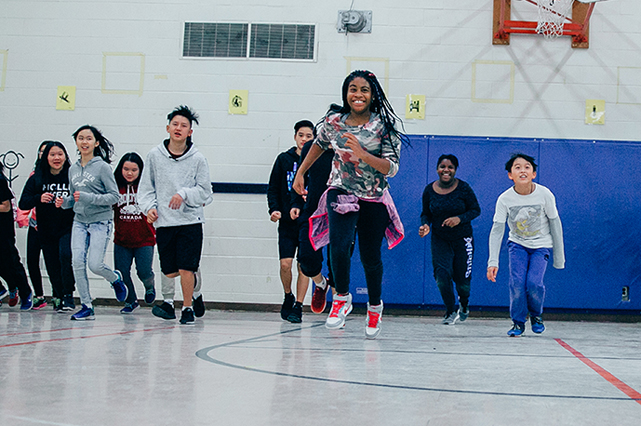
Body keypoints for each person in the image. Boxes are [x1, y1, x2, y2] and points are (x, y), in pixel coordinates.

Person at [293, 70, 407, 339]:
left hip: (373, 196)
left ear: (372, 95)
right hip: (341, 190)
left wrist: (362, 154)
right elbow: (319, 145)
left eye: (364, 90)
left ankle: (375, 306)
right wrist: (301, 172)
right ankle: (341, 298)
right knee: (339, 246)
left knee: (370, 257)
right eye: (353, 89)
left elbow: (392, 168)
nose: (358, 94)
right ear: (346, 93)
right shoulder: (334, 121)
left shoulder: (384, 126)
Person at [139, 105, 212, 325]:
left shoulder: (198, 159)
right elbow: (146, 189)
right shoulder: (154, 156)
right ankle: (197, 291)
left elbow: (206, 193)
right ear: (168, 128)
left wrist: (184, 194)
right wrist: (149, 208)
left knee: (186, 268)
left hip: (190, 220)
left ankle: (187, 308)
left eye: (184, 125)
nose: (178, 128)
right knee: (171, 272)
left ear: (190, 132)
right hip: (165, 222)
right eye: (175, 124)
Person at [487, 153, 565, 337]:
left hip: (541, 246)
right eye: (517, 167)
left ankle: (536, 316)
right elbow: (497, 230)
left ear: (533, 174)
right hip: (517, 245)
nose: (523, 170)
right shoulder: (504, 199)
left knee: (534, 283)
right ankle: (518, 322)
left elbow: (555, 224)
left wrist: (559, 257)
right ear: (510, 175)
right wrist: (493, 261)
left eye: (527, 167)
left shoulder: (545, 194)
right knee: (517, 283)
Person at [56, 125, 128, 320]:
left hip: (100, 221)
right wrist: (64, 203)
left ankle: (115, 279)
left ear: (96, 143)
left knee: (95, 265)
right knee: (77, 263)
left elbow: (114, 197)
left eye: (88, 138)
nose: (84, 142)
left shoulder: (103, 167)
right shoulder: (72, 169)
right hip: (79, 221)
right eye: (81, 138)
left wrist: (88, 197)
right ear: (76, 142)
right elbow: (73, 198)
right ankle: (87, 305)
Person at [419, 154, 480, 325]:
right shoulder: (429, 190)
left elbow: (476, 210)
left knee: (462, 280)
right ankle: (450, 309)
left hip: (462, 238)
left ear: (455, 170)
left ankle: (464, 303)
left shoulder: (464, 188)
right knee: (442, 275)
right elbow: (426, 213)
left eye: (450, 167)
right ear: (437, 169)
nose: (446, 170)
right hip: (440, 238)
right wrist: (425, 225)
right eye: (442, 167)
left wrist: (459, 219)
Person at [19, 141, 76, 312]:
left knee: (65, 257)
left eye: (60, 154)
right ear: (45, 158)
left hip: (68, 226)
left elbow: (81, 197)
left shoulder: (72, 175)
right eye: (52, 155)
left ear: (65, 156)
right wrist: (39, 198)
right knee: (51, 264)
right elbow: (23, 203)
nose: (56, 158)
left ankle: (68, 294)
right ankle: (58, 296)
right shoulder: (37, 177)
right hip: (45, 228)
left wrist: (68, 201)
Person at [267, 120, 313, 323]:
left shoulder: (316, 160)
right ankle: (288, 295)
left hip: (307, 221)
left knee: (304, 265)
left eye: (308, 136)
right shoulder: (283, 159)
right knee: (286, 264)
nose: (304, 139)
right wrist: (274, 209)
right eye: (301, 135)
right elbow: (273, 188)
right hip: (286, 221)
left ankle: (299, 305)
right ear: (295, 137)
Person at [290, 125, 335, 316]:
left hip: (340, 210)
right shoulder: (310, 149)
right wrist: (296, 203)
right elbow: (301, 178)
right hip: (313, 211)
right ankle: (320, 283)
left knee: (339, 261)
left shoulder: (348, 151)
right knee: (306, 260)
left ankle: (338, 306)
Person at [113, 152, 157, 314]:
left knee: (143, 271)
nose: (129, 173)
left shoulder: (146, 188)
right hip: (121, 240)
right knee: (122, 272)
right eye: (126, 169)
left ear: (140, 171)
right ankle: (131, 300)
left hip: (144, 239)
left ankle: (149, 285)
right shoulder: (115, 187)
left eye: (133, 170)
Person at [16, 141, 49, 309]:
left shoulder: (62, 174)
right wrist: (22, 218)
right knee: (32, 261)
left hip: (54, 227)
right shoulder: (34, 175)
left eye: (47, 152)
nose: (44, 155)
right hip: (35, 224)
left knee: (56, 261)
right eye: (41, 152)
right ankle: (39, 295)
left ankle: (61, 295)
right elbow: (25, 200)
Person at [0, 162, 33, 310]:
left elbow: (5, 206)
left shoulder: (0, 179)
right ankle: (5, 288)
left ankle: (25, 292)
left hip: (3, 230)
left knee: (10, 262)